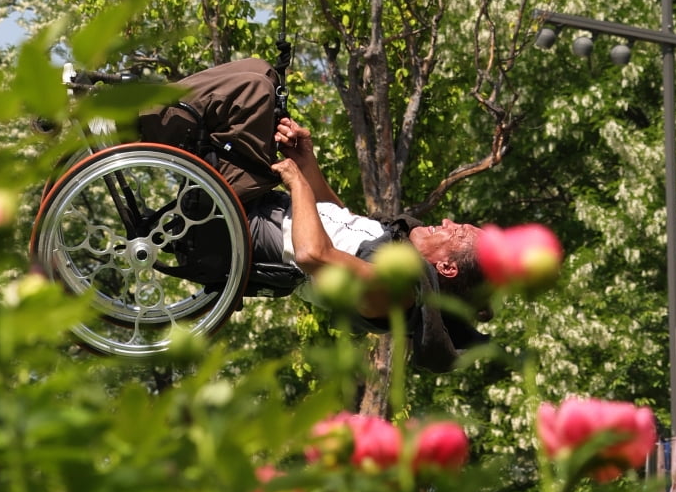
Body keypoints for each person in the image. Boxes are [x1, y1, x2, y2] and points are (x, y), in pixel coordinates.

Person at [138, 59, 487, 366]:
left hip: (233, 230)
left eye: (456, 232)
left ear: (447, 267)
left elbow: (313, 254)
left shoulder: (395, 294)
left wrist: (298, 184)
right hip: (248, 207)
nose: (447, 222)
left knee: (253, 92)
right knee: (266, 76)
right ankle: (139, 118)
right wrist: (307, 163)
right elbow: (336, 217)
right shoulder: (394, 254)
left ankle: (128, 121)